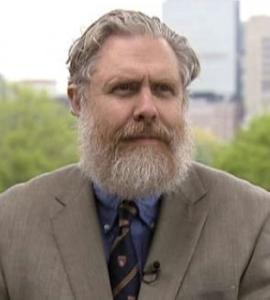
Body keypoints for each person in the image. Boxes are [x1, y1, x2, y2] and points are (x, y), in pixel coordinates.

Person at [0, 9, 270, 300]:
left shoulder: (254, 220)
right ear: (78, 101)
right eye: (124, 88)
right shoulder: (11, 222)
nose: (147, 109)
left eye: (164, 89)